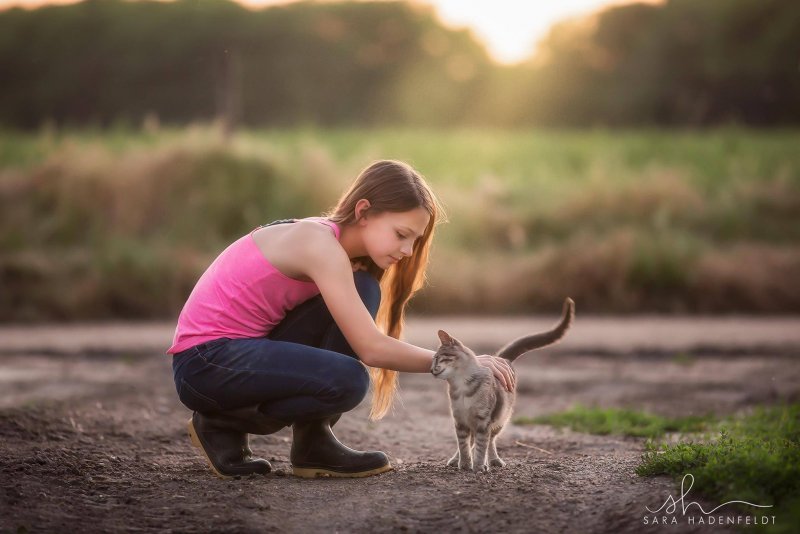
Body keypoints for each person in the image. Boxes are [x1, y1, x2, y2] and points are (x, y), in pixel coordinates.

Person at [167, 159, 515, 479]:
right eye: (401, 234)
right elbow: (371, 348)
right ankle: (220, 422)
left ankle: (313, 443)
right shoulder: (318, 244)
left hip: (240, 351)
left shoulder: (339, 254)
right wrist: (463, 365)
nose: (408, 251)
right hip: (205, 362)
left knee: (364, 288)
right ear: (363, 211)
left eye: (415, 240)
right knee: (347, 380)